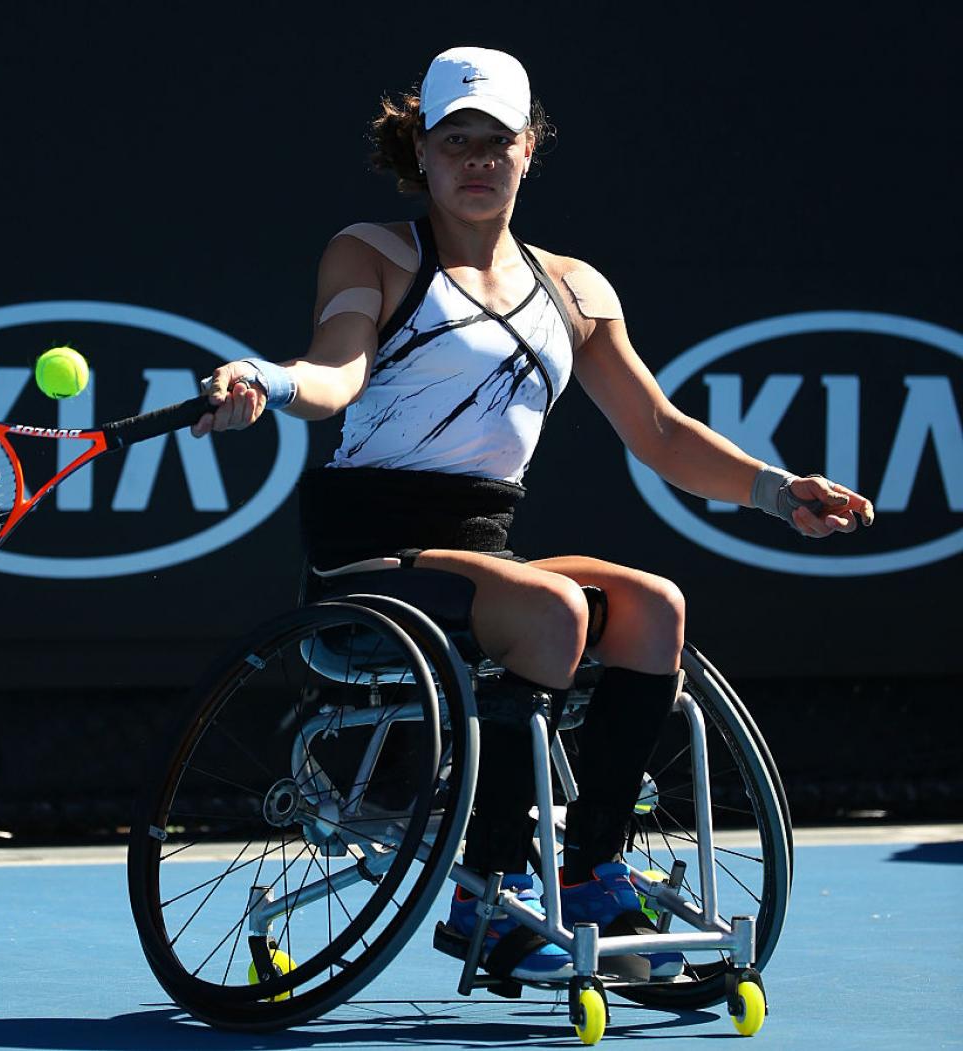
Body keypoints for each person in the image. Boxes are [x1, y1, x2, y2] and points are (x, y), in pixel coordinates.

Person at [190, 46, 874, 984]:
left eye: (495, 142)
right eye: (454, 140)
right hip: (368, 558)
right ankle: (485, 893)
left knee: (654, 606)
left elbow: (660, 430)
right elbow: (336, 370)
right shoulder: (377, 253)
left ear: (528, 150)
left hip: (479, 550)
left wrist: (772, 486)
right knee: (550, 608)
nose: (476, 159)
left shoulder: (577, 291)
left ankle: (590, 870)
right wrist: (264, 379)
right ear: (419, 152)